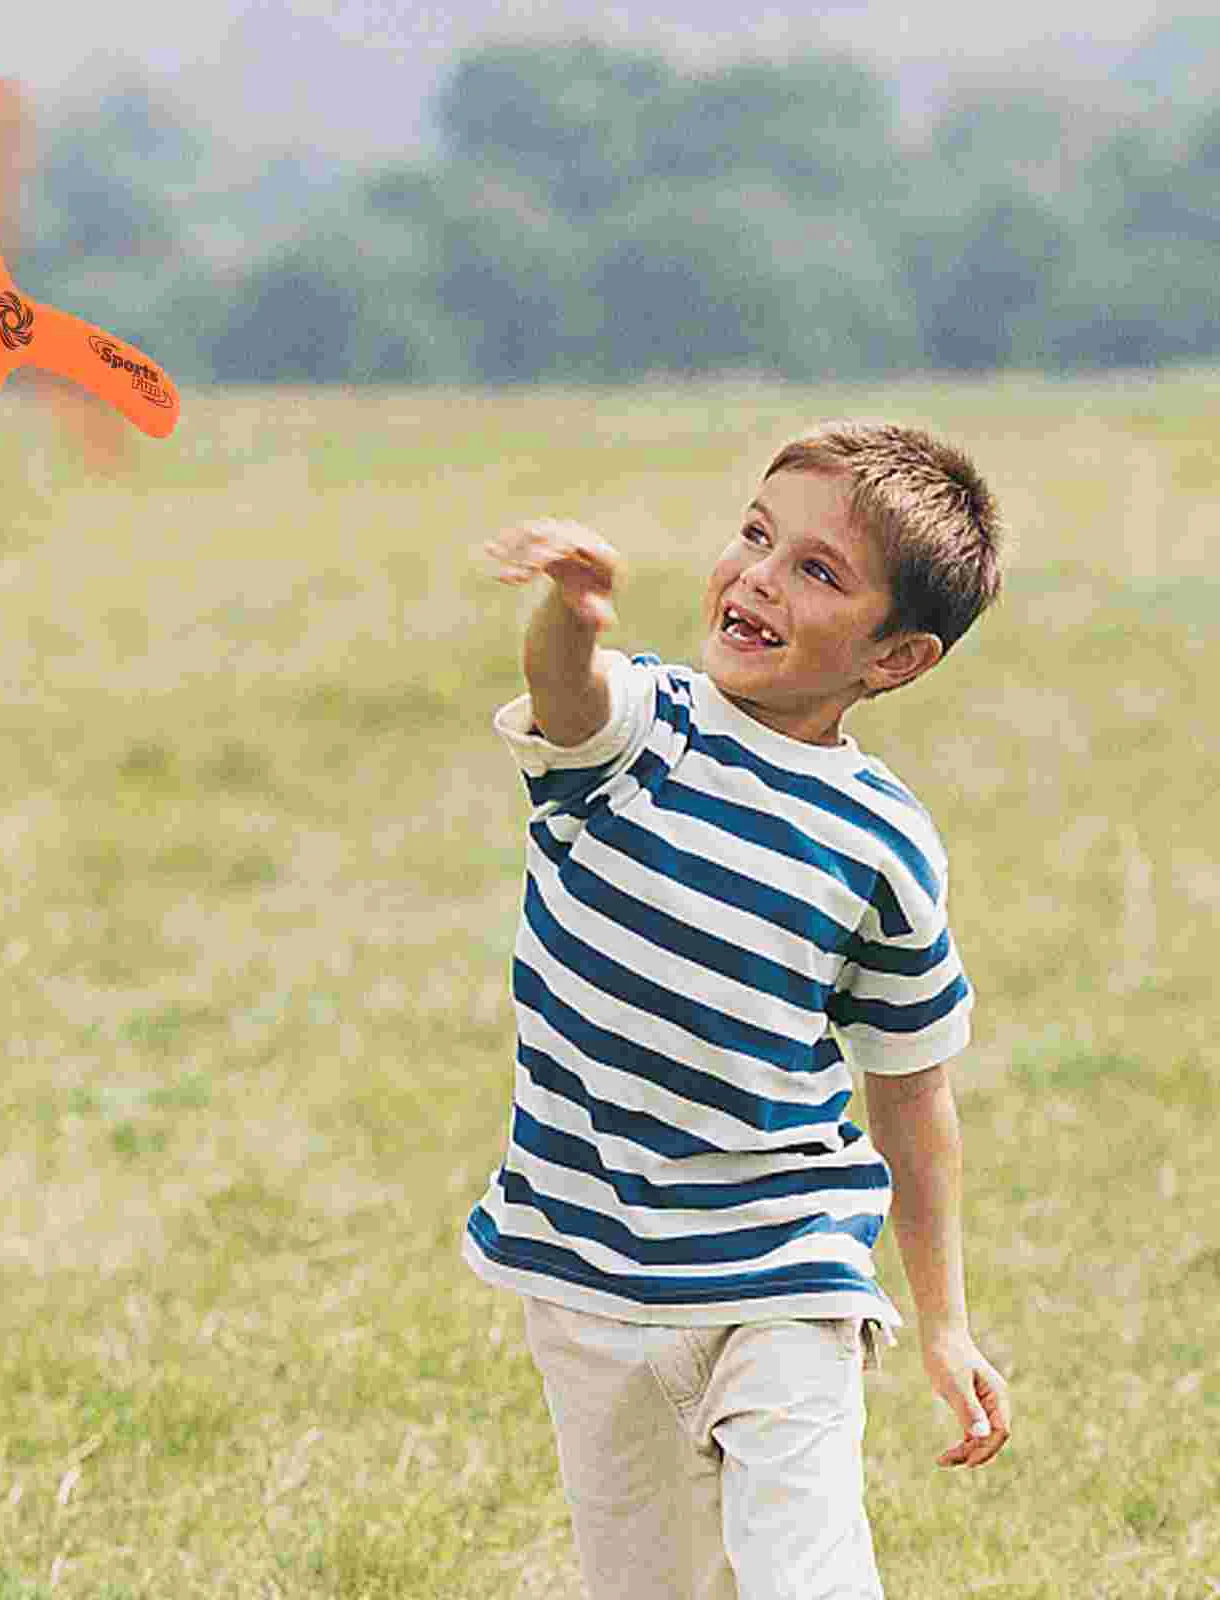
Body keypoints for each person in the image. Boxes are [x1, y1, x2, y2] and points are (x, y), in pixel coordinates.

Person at [462, 421, 1013, 1600]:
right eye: (756, 535)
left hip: (782, 1274)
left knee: (806, 1578)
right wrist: (572, 608)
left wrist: (944, 1322)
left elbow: (911, 1089)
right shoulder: (641, 732)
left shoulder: (882, 843)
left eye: (817, 570)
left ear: (896, 657)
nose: (758, 575)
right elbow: (563, 694)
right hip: (587, 1273)